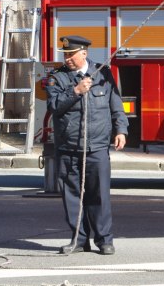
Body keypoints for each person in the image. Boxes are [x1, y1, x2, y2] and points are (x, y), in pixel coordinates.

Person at [45, 35, 128, 255]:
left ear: (84, 53)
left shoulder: (103, 75)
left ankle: (104, 240)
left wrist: (121, 130)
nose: (68, 59)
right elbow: (54, 106)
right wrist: (76, 91)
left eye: (71, 55)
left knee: (99, 195)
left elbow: (116, 105)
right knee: (73, 197)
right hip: (69, 147)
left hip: (97, 147)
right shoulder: (57, 78)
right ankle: (79, 240)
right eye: (65, 55)